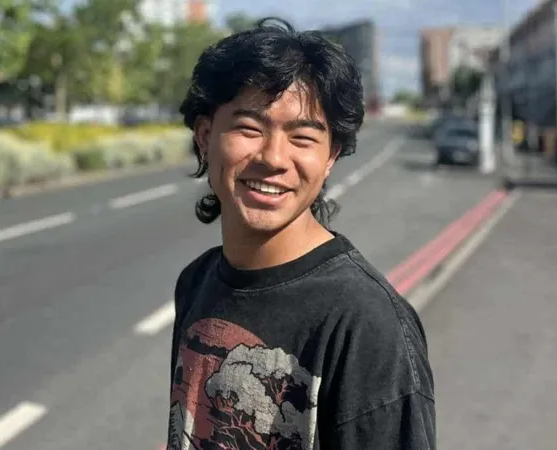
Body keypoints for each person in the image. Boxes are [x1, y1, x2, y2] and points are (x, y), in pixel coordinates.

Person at [167, 18, 435, 449]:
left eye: (303, 137)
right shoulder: (196, 282)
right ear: (204, 136)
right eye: (249, 128)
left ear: (330, 157)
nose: (273, 158)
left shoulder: (367, 324)